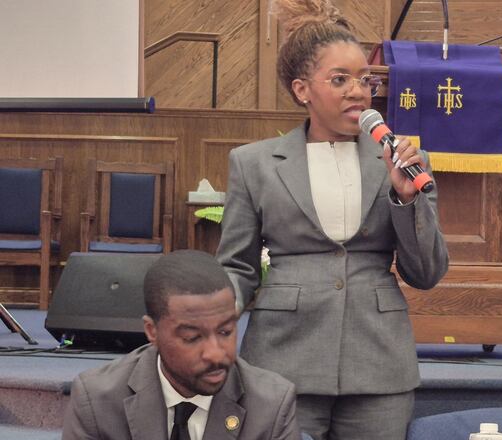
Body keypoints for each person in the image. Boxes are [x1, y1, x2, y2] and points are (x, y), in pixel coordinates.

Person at [215, 0, 449, 439]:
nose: (358, 91)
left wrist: (407, 199)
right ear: (302, 90)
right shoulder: (254, 164)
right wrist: (213, 320)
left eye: (365, 80)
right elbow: (237, 267)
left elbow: (427, 272)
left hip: (378, 363)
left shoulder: (400, 160)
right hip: (282, 359)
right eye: (339, 80)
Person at [62, 250, 301, 440]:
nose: (216, 354)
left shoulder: (270, 405)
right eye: (192, 338)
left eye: (226, 331)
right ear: (152, 331)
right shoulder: (98, 399)